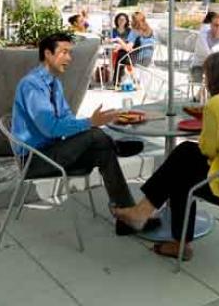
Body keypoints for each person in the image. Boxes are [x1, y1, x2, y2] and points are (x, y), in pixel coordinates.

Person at [113, 51, 219, 260]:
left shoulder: (217, 105)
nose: (205, 80)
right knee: (185, 156)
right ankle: (146, 215)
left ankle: (159, 225)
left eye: (206, 75)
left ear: (213, 77)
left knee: (182, 171)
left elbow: (207, 149)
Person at [11, 33, 151, 235]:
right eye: (64, 52)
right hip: (35, 159)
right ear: (48, 54)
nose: (69, 58)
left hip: (53, 151)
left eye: (70, 52)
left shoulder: (54, 84)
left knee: (102, 149)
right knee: (95, 135)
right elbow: (50, 128)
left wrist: (90, 123)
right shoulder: (31, 85)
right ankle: (115, 146)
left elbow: (66, 118)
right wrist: (90, 123)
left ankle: (126, 217)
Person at [114, 11, 156, 84]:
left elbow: (128, 48)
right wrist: (121, 46)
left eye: (132, 19)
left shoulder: (134, 31)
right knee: (123, 52)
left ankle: (116, 81)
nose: (130, 21)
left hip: (138, 60)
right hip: (148, 59)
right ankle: (132, 78)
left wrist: (119, 40)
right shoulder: (150, 31)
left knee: (121, 55)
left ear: (135, 21)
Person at [191, 13, 219, 83]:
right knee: (208, 82)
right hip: (199, 67)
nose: (218, 28)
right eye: (216, 25)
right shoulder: (203, 36)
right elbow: (208, 56)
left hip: (218, 67)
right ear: (211, 25)